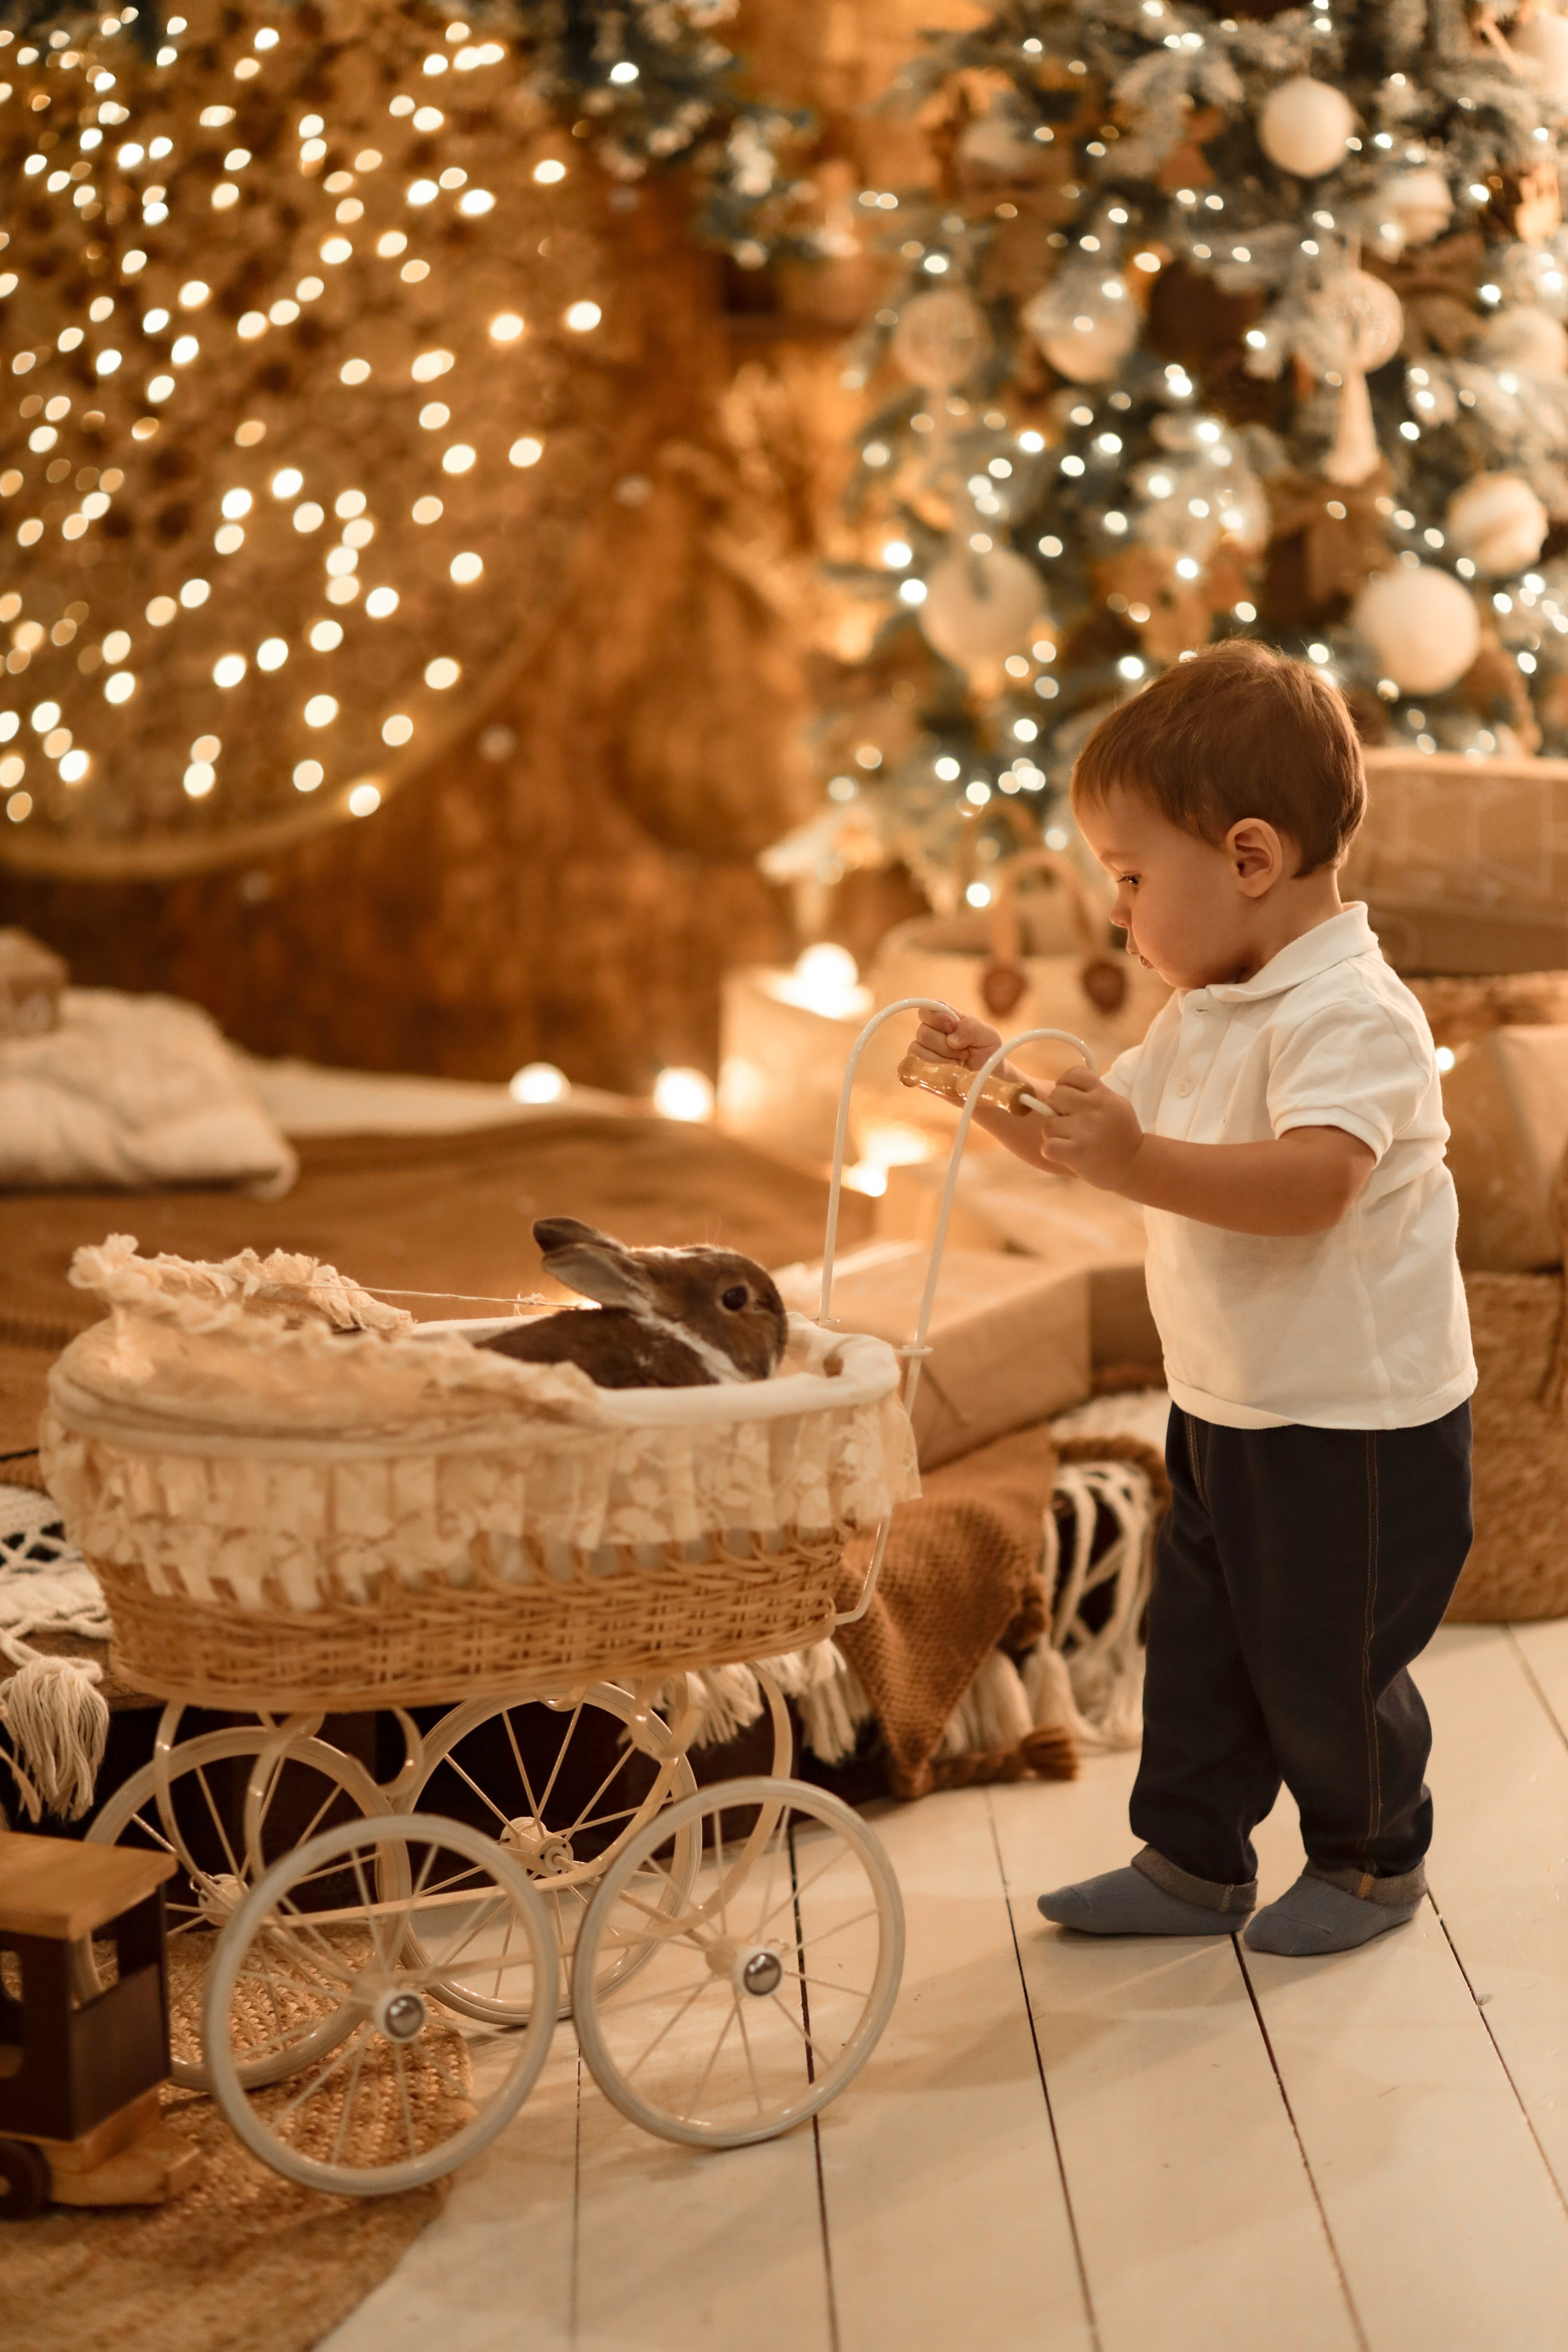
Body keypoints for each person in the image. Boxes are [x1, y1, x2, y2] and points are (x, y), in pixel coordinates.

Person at [911, 641, 1474, 1955]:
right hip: (1229, 1400)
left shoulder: (1351, 1017)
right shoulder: (1205, 1008)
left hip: (1356, 1427)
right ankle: (1189, 1856)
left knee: (1324, 1663)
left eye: (1125, 878)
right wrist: (991, 1086)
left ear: (1247, 860)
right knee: (1203, 1647)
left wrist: (1132, 1155)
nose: (1113, 914)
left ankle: (1367, 1855)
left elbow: (1307, 1187)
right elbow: (1097, 1140)